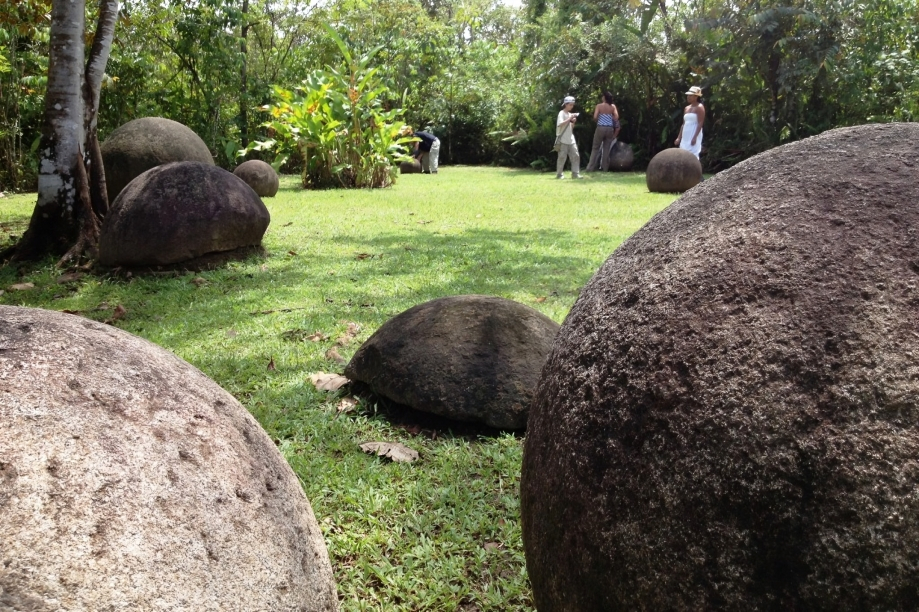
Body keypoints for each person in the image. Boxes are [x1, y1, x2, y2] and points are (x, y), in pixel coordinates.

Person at [585, 91, 620, 172]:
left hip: (600, 128)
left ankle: (590, 168)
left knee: (595, 148)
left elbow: (595, 116)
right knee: (606, 149)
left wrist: (598, 120)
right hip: (610, 129)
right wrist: (609, 119)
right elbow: (616, 117)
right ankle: (605, 168)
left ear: (604, 97)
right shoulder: (613, 106)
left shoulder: (599, 106)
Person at [556, 96, 582, 179]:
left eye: (572, 105)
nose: (572, 106)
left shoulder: (570, 114)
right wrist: (569, 118)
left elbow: (571, 128)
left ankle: (575, 173)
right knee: (562, 157)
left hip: (571, 139)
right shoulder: (561, 113)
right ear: (566, 104)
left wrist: (573, 122)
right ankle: (559, 174)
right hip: (563, 139)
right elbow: (560, 124)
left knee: (575, 156)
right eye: (570, 105)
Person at [674, 86, 705, 158]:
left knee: (693, 153)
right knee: (683, 152)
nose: (688, 97)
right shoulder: (686, 108)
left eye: (690, 95)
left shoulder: (700, 107)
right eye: (688, 95)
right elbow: (683, 124)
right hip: (686, 134)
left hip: (694, 132)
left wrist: (695, 137)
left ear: (696, 96)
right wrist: (679, 137)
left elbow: (700, 123)